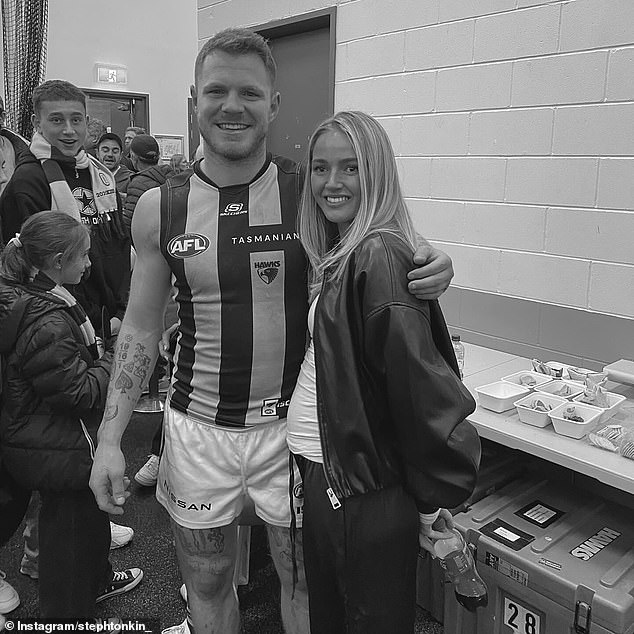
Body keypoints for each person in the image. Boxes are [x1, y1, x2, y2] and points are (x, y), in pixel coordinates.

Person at [89, 28, 455, 634]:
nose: (233, 106)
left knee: (302, 580)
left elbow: (377, 243)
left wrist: (432, 260)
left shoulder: (308, 195)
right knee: (206, 579)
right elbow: (141, 324)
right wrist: (110, 439)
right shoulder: (160, 208)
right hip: (195, 426)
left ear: (274, 105)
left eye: (250, 94)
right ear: (193, 100)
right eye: (217, 91)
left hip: (292, 435)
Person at [287, 110, 481, 633]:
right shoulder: (343, 247)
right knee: (339, 614)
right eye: (321, 168)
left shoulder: (378, 253)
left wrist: (429, 499)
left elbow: (418, 391)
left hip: (363, 488)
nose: (332, 183)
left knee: (365, 620)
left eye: (350, 168)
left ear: (376, 172)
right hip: (338, 478)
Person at [0, 211, 143, 619]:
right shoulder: (45, 318)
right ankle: (68, 616)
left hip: (39, 432)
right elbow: (77, 393)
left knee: (86, 512)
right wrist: (111, 359)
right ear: (58, 261)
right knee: (71, 530)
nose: (90, 264)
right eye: (83, 256)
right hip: (53, 441)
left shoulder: (31, 294)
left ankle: (95, 581)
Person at [0, 80, 131, 338]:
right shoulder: (29, 180)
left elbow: (119, 244)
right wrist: (91, 319)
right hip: (64, 321)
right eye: (57, 120)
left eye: (76, 120)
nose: (69, 131)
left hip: (113, 314)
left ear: (87, 120)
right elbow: (34, 268)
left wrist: (121, 310)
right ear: (37, 123)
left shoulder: (99, 175)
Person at [123, 134, 176, 236]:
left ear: (133, 157)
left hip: (148, 243)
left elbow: (129, 224)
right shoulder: (173, 177)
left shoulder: (138, 183)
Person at [96, 132, 132, 197]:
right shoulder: (90, 177)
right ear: (97, 153)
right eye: (105, 150)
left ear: (121, 155)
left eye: (115, 151)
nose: (110, 155)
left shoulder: (130, 180)